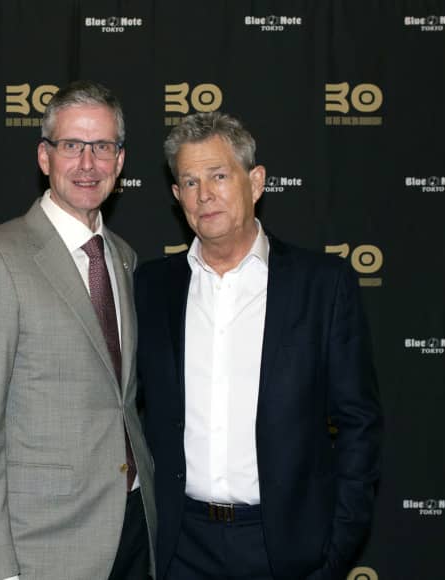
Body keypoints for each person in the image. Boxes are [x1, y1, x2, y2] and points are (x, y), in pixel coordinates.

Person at [135, 112, 382, 580]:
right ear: (176, 196)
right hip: (180, 547)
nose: (204, 193)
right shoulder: (151, 287)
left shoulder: (321, 286)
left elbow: (359, 424)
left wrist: (333, 553)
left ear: (257, 181)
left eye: (219, 175)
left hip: (285, 550)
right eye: (189, 181)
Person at [0, 80, 156, 580]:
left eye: (102, 147)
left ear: (120, 162)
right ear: (44, 156)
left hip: (130, 532)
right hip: (39, 548)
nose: (88, 163)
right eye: (71, 146)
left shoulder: (123, 258)